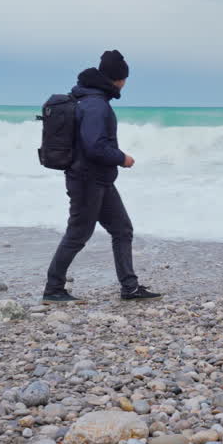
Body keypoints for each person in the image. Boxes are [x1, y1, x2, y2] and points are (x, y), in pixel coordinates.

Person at [43, 50, 162, 302]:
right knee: (78, 234)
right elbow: (94, 145)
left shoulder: (90, 99)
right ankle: (53, 289)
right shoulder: (96, 105)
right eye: (125, 78)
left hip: (100, 180)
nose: (125, 83)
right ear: (117, 78)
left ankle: (129, 287)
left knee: (122, 229)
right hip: (86, 179)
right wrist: (122, 158)